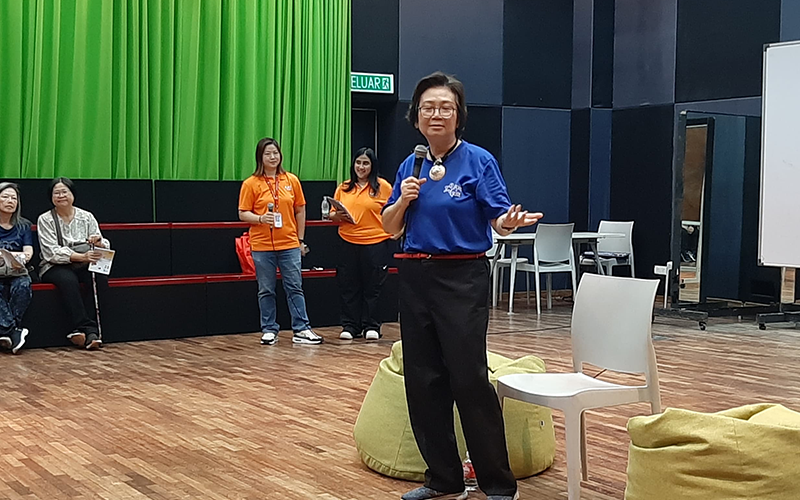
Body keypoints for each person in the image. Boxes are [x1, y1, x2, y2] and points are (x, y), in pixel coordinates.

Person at [382, 72, 542, 500]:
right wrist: (402, 199)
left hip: (461, 276)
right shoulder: (409, 165)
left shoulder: (478, 161)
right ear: (416, 117)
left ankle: (497, 484)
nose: (437, 114)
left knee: (468, 378)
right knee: (422, 379)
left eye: (446, 107)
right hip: (415, 275)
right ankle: (443, 479)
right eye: (429, 107)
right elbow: (389, 226)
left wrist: (507, 223)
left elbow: (499, 217)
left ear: (459, 116)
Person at [238, 137, 323, 346]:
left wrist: (300, 239)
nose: (272, 157)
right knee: (266, 289)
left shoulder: (291, 180)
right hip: (262, 245)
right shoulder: (251, 183)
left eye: (275, 152)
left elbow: (300, 209)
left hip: (289, 243)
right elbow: (242, 213)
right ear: (260, 157)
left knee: (295, 286)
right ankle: (269, 329)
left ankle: (301, 328)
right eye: (268, 153)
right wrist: (259, 219)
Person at [329, 147, 394, 341]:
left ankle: (371, 325)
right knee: (348, 285)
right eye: (358, 162)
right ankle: (350, 325)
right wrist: (335, 215)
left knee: (373, 286)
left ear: (372, 166)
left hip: (375, 242)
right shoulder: (344, 187)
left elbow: (393, 211)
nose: (361, 167)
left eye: (365, 163)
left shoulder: (383, 187)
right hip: (348, 240)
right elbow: (332, 214)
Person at [37, 178, 109, 350]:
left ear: (72, 194)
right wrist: (81, 256)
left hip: (85, 262)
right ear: (51, 197)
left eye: (64, 192)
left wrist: (99, 242)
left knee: (99, 277)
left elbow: (103, 243)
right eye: (56, 193)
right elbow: (51, 252)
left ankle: (86, 331)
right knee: (68, 281)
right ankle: (86, 329)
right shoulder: (45, 219)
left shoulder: (87, 216)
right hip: (55, 265)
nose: (61, 196)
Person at [0, 182, 32, 354]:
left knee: (23, 285)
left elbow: (28, 250)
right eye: (5, 197)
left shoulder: (23, 225)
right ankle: (13, 331)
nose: (10, 201)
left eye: (14, 198)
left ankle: (6, 332)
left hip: (16, 270)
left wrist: (25, 256)